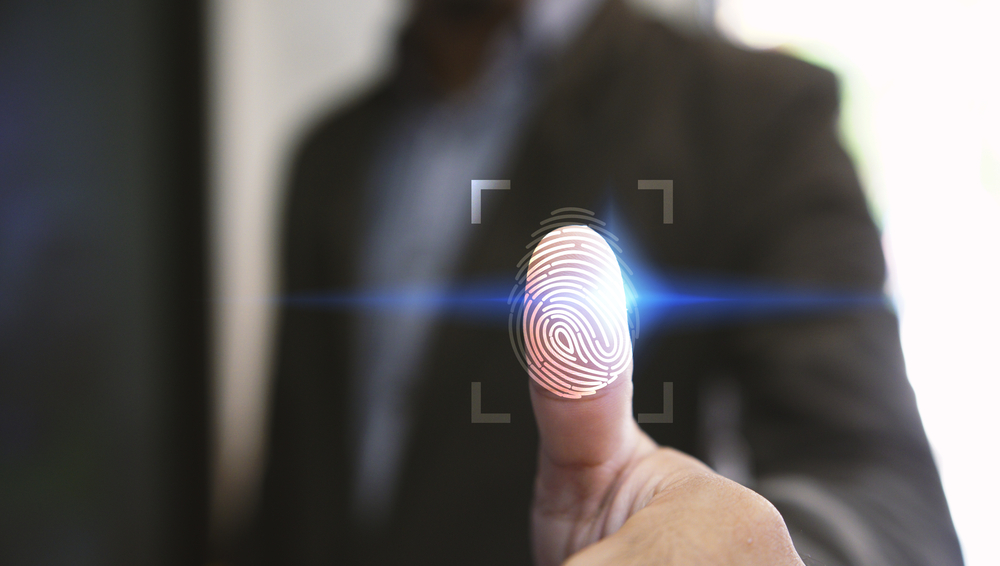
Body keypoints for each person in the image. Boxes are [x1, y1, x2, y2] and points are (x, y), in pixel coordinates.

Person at [252, 0, 963, 564]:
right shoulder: (327, 157)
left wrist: (764, 554)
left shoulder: (751, 115)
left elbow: (889, 506)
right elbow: (294, 489)